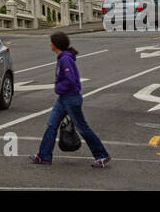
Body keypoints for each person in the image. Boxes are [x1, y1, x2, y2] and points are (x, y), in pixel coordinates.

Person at [31, 31, 111, 168]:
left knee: (82, 127)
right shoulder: (63, 57)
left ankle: (102, 155)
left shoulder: (65, 59)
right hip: (64, 98)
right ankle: (44, 156)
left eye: (51, 42)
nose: (49, 44)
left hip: (71, 98)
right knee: (51, 124)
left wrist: (58, 88)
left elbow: (71, 80)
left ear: (56, 45)